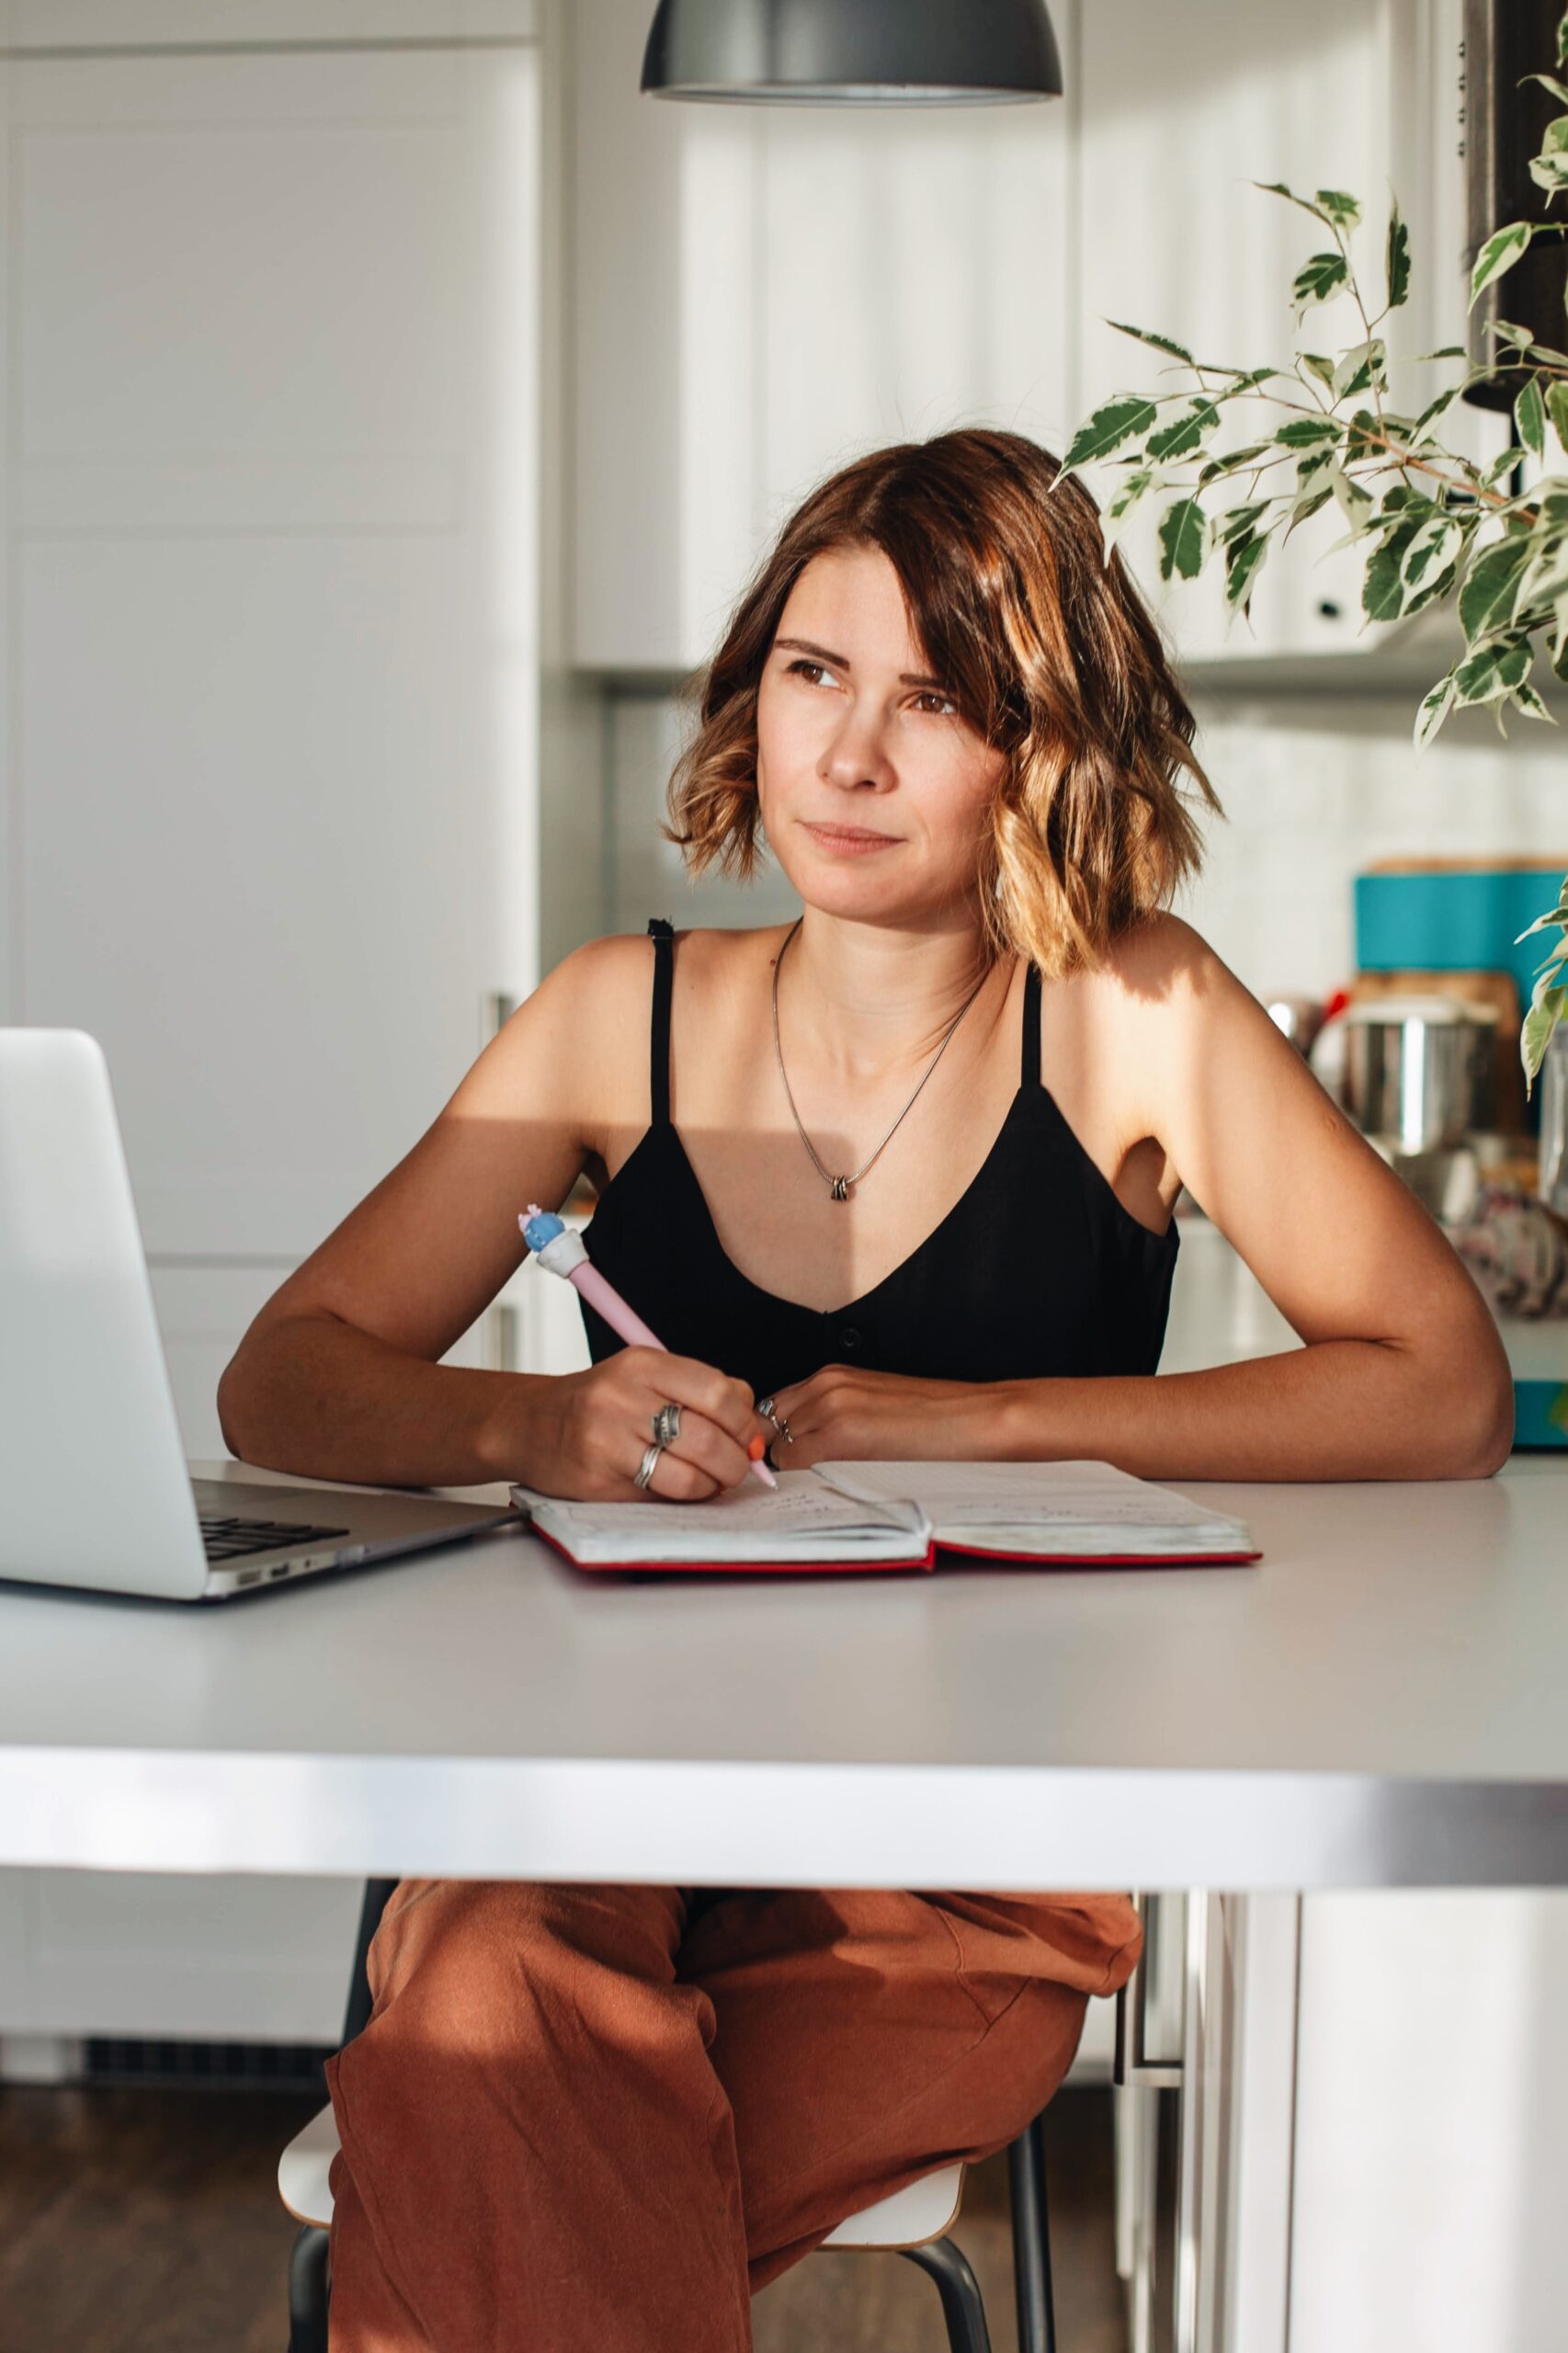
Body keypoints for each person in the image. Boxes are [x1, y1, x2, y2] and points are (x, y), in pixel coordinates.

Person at [218, 426, 1512, 2349]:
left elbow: (1439, 1386)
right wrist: (534, 1421)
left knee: (478, 2114)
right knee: (495, 2001)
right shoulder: (610, 1014)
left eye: (932, 700)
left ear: (1039, 746)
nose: (843, 755)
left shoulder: (1133, 1013)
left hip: (964, 1867)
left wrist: (988, 1415)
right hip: (592, 1801)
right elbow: (287, 1377)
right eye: (812, 673)